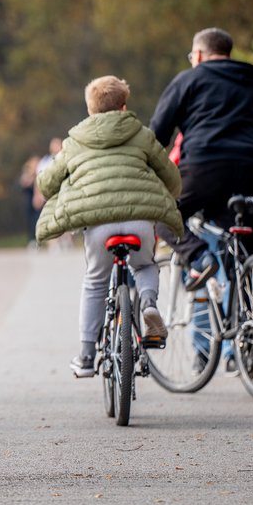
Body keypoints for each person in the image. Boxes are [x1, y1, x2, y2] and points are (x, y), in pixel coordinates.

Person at [37, 76, 182, 376]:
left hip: (98, 227)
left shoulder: (74, 140)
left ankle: (87, 356)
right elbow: (171, 176)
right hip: (140, 221)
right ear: (123, 106)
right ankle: (148, 306)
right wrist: (170, 194)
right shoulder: (142, 134)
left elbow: (46, 182)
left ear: (90, 110)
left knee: (95, 281)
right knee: (144, 266)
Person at [151, 27, 253, 291]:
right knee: (247, 241)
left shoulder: (188, 81)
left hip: (204, 169)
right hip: (250, 172)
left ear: (198, 54)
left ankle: (200, 256)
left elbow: (157, 135)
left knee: (162, 214)